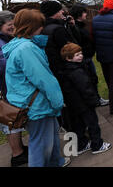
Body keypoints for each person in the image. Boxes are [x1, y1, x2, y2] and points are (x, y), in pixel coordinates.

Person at [2, 9, 68, 167]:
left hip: (32, 103)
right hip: (36, 106)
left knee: (49, 140)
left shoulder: (20, 46)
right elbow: (44, 80)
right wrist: (58, 101)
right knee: (40, 146)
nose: (42, 29)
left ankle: (56, 163)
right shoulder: (26, 49)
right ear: (32, 27)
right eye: (40, 26)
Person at [60, 43, 112, 155]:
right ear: (68, 58)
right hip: (85, 103)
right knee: (93, 124)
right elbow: (86, 88)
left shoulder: (66, 70)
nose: (81, 56)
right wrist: (94, 101)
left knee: (79, 125)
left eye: (81, 53)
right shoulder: (77, 72)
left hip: (75, 104)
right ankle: (97, 145)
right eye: (77, 55)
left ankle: (81, 145)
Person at [40, 0, 80, 131]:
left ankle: (66, 126)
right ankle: (77, 134)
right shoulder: (57, 30)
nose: (62, 12)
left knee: (62, 102)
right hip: (65, 70)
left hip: (53, 71)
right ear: (54, 13)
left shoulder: (42, 29)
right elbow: (70, 49)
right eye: (59, 10)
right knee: (72, 103)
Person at [0, 11, 28, 167]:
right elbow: (3, 65)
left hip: (10, 86)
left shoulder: (7, 39)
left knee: (15, 118)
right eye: (9, 25)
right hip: (5, 88)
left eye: (14, 24)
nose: (13, 28)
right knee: (10, 119)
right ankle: (17, 155)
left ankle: (20, 149)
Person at [69, 4, 109, 106]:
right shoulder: (76, 28)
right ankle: (96, 100)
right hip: (84, 58)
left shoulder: (80, 26)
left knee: (93, 78)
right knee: (91, 79)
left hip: (87, 57)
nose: (86, 14)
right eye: (84, 12)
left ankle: (96, 98)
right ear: (79, 15)